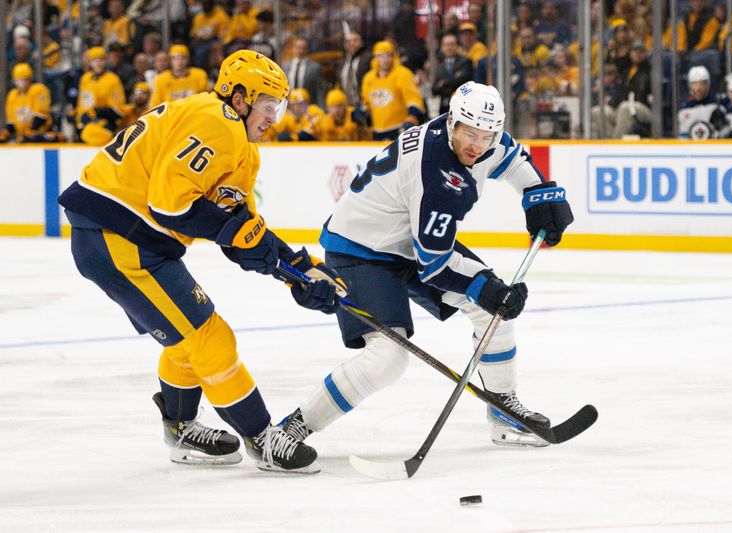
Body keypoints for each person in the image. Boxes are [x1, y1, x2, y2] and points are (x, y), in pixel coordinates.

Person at [57, 50, 344, 474]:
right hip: (115, 234)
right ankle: (262, 438)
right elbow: (170, 207)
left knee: (185, 336)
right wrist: (249, 243)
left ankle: (181, 428)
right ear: (241, 98)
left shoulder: (239, 144)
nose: (274, 118)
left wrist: (298, 269)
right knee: (210, 336)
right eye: (268, 106)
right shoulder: (215, 119)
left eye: (279, 108)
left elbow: (240, 227)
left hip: (130, 238)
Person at [276, 81, 574, 456]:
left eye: (486, 136)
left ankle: (503, 410)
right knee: (387, 359)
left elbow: (512, 157)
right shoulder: (436, 173)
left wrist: (537, 192)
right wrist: (488, 287)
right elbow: (434, 264)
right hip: (361, 249)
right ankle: (290, 428)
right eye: (469, 133)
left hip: (408, 239)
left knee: (493, 313)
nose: (476, 145)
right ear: (451, 122)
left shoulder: (484, 139)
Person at [359, 40, 426, 141]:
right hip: (377, 130)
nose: (385, 59)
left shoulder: (403, 74)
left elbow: (414, 99)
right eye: (381, 55)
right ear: (375, 57)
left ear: (394, 56)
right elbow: (366, 102)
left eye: (389, 55)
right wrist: (362, 111)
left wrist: (412, 117)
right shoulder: (368, 78)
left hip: (399, 129)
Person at [0, 63, 61, 143]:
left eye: (24, 79)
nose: (21, 82)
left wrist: (30, 132)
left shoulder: (39, 89)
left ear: (29, 78)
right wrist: (5, 133)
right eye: (18, 79)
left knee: (37, 138)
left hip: (41, 132)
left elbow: (41, 116)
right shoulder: (12, 95)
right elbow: (12, 122)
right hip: (22, 136)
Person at [678, 66, 726, 139]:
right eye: (694, 84)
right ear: (689, 86)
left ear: (708, 85)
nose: (698, 88)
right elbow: (683, 136)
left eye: (702, 83)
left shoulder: (719, 104)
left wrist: (722, 125)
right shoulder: (685, 109)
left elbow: (726, 133)